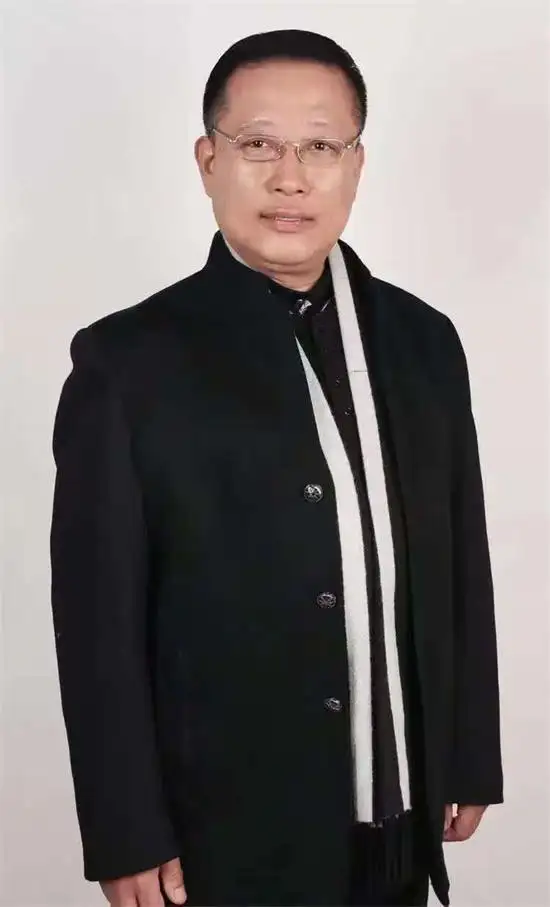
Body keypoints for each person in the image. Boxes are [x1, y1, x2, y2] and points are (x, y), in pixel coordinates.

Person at [50, 28, 503, 907]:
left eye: (321, 148)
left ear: (356, 165)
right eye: (258, 144)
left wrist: (469, 750)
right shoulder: (128, 363)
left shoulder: (424, 341)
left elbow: (462, 559)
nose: (290, 178)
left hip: (401, 811)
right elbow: (97, 624)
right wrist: (124, 828)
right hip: (223, 830)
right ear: (208, 160)